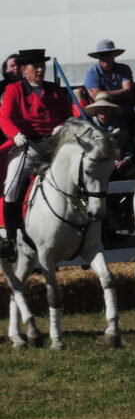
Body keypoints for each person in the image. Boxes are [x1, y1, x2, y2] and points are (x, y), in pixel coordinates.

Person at [0, 49, 74, 261]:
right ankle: (10, 240)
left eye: (42, 66)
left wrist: (62, 126)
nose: (41, 70)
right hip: (26, 145)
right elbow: (4, 118)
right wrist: (15, 135)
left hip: (53, 145)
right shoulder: (14, 90)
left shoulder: (55, 90)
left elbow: (68, 116)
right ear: (24, 69)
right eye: (36, 66)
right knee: (12, 185)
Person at [83, 39, 135, 117]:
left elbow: (128, 92)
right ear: (98, 56)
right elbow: (95, 97)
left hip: (126, 114)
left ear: (114, 54)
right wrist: (122, 93)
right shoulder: (91, 73)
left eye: (109, 53)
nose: (106, 57)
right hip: (104, 116)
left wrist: (103, 95)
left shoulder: (125, 69)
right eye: (102, 54)